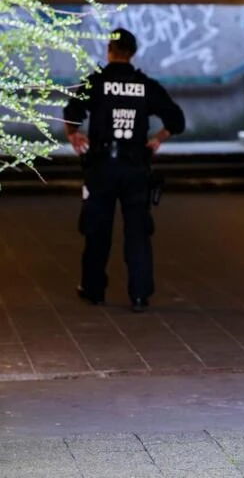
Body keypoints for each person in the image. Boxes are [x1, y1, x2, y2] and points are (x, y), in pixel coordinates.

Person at [64, 28, 185, 313]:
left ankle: (94, 291)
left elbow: (71, 113)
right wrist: (157, 139)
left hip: (102, 167)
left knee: (97, 230)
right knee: (138, 233)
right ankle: (140, 295)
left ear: (110, 50)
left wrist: (74, 136)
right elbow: (176, 119)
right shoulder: (146, 85)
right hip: (136, 168)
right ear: (132, 52)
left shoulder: (96, 83)